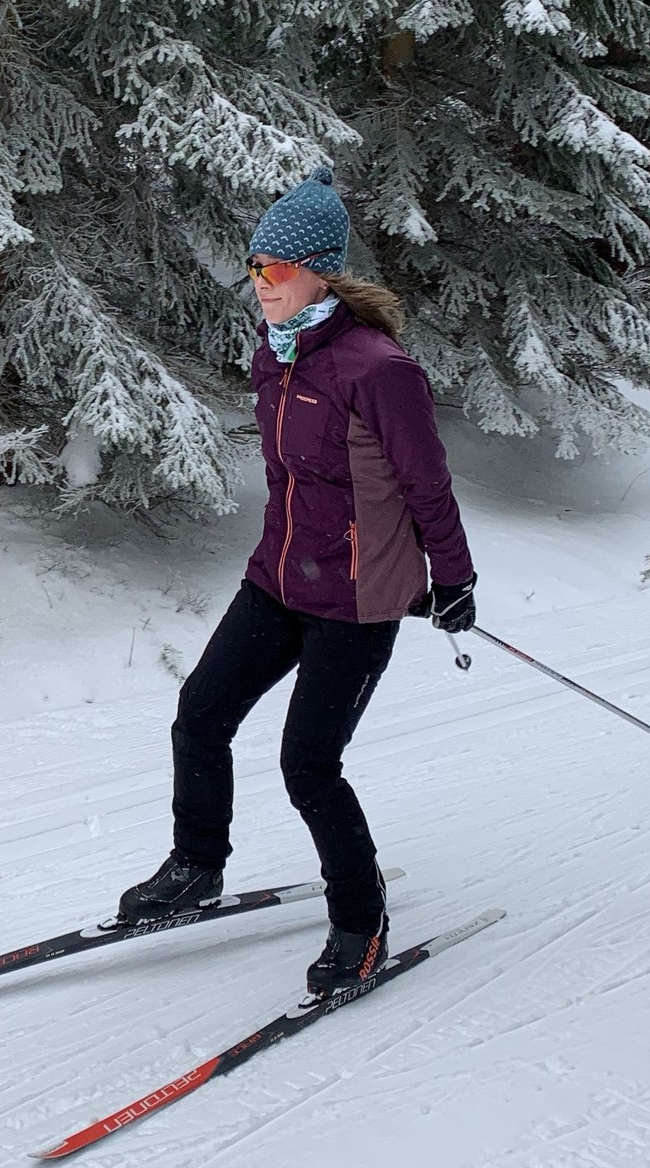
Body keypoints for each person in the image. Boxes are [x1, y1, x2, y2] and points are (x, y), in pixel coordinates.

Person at [119, 166, 477, 998]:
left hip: (355, 600)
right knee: (199, 716)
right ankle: (196, 865)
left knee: (308, 767)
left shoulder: (377, 370)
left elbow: (426, 484)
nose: (260, 283)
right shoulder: (274, 357)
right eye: (253, 267)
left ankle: (361, 921)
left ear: (320, 273)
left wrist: (452, 579)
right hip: (278, 578)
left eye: (275, 269)